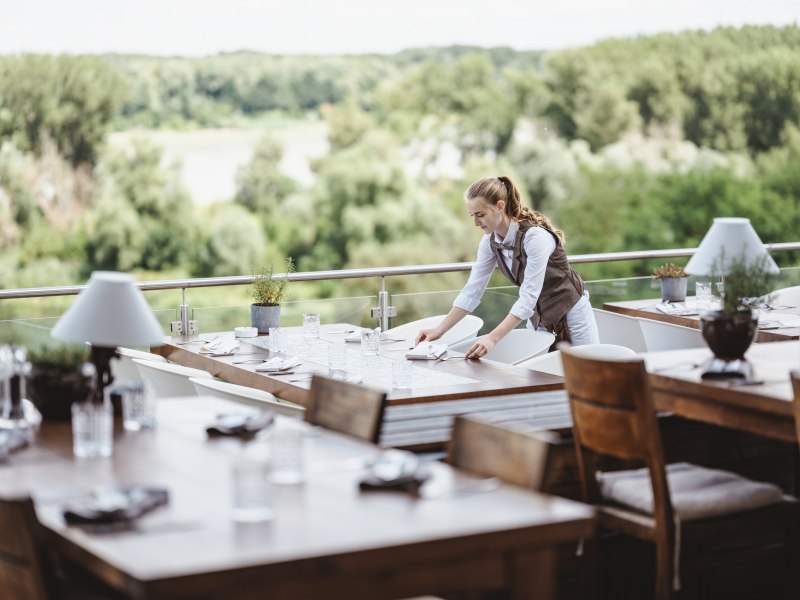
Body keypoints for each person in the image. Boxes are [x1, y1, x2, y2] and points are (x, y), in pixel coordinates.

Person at [416, 176, 598, 358]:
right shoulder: (490, 241)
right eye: (472, 216)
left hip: (572, 313)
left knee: (589, 374)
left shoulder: (535, 237)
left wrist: (492, 339)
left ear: (500, 206)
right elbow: (472, 290)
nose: (476, 223)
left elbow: (528, 298)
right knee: (539, 378)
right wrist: (439, 330)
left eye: (481, 215)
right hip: (538, 318)